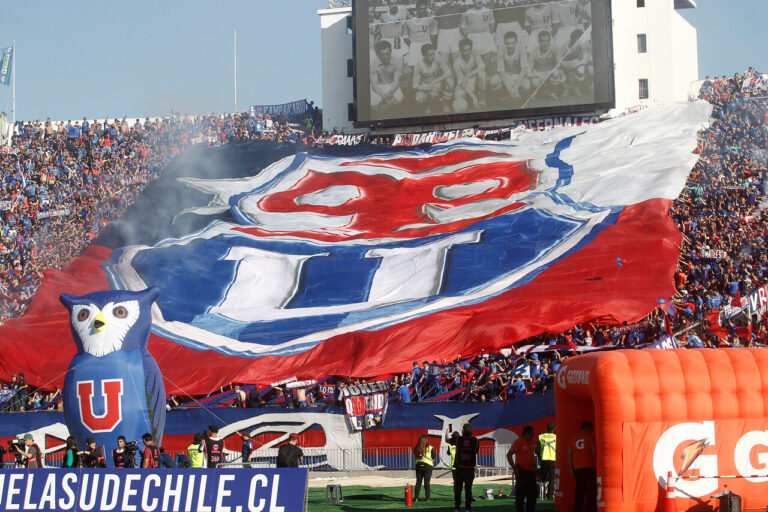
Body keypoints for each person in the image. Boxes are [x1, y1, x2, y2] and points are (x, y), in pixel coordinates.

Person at [508, 425, 538, 512]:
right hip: (521, 472)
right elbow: (509, 455)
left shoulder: (532, 442)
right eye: (532, 433)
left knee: (532, 495)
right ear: (526, 433)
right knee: (520, 496)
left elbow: (531, 457)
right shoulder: (518, 442)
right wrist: (514, 468)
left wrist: (535, 468)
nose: (533, 435)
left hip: (531, 472)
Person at [569, 421, 597, 512]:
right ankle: (590, 509)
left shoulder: (574, 437)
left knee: (579, 491)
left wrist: (571, 469)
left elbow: (569, 454)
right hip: (589, 467)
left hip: (577, 468)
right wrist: (597, 465)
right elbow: (594, 453)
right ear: (588, 428)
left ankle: (577, 508)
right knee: (591, 491)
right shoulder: (589, 437)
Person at [450, 423, 479, 512]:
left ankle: (457, 507)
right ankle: (468, 508)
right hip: (469, 469)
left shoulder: (458, 439)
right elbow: (476, 451)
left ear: (462, 431)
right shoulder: (475, 440)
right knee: (468, 489)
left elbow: (448, 440)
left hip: (459, 468)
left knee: (458, 489)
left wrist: (448, 432)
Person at [413, 434, 435, 502]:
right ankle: (428, 498)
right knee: (426, 483)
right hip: (428, 466)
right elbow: (433, 458)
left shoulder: (416, 447)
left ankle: (416, 498)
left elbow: (416, 457)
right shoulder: (430, 448)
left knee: (418, 482)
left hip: (419, 465)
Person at [538, 422, 557, 500]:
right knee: (552, 480)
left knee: (542, 479)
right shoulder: (556, 437)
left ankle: (541, 495)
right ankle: (549, 497)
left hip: (544, 460)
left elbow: (537, 450)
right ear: (554, 429)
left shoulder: (541, 437)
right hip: (553, 460)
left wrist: (540, 459)